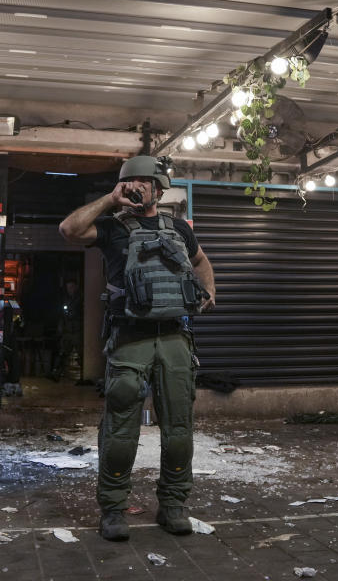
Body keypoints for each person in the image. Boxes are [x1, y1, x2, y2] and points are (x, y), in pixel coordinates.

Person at [59, 155, 215, 542]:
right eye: (132, 182)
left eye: (146, 182)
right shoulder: (111, 228)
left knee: (179, 427)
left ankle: (174, 505)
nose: (138, 187)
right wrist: (110, 200)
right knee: (120, 429)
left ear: (160, 190)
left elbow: (200, 261)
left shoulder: (179, 227)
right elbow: (69, 229)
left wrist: (210, 290)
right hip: (129, 337)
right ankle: (113, 509)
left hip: (175, 337)